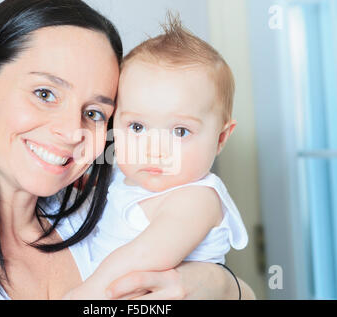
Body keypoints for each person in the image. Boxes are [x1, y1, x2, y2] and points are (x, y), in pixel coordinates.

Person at [0, 0, 254, 299]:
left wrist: (220, 284)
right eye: (44, 94)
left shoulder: (82, 216)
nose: (73, 131)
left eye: (94, 113)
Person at [63, 15, 249, 300]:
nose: (153, 149)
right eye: (137, 127)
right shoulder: (127, 178)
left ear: (221, 138)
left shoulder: (197, 199)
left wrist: (81, 296)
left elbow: (144, 256)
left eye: (180, 131)